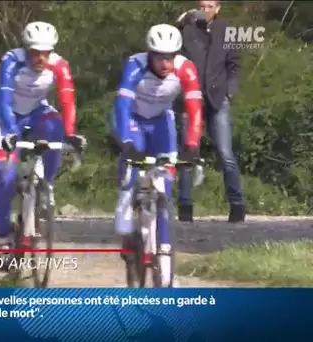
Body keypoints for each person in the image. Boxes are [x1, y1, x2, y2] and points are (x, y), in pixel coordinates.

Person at [111, 24, 203, 264]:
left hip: (162, 121)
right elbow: (121, 106)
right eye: (160, 57)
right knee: (132, 170)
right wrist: (127, 141)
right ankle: (125, 213)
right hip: (132, 118)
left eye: (170, 57)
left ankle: (164, 251)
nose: (166, 64)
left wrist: (192, 144)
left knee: (165, 184)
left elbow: (194, 110)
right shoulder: (135, 65)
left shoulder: (186, 69)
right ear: (150, 54)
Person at [0, 21, 86, 257]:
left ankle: (46, 185)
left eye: (45, 52)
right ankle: (4, 237)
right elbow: (3, 100)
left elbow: (67, 101)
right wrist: (11, 131)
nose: (40, 58)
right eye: (35, 52)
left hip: (37, 112)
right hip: (9, 115)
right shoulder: (11, 61)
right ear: (26, 49)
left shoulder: (59, 65)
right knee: (5, 178)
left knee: (55, 126)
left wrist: (71, 132)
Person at [175, 0, 246, 223]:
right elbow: (169, 51)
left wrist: (230, 92)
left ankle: (237, 204)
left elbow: (234, 65)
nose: (205, 10)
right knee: (187, 153)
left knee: (226, 154)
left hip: (218, 98)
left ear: (217, 9)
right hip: (190, 98)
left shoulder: (226, 31)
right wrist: (180, 23)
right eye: (202, 6)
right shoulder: (187, 29)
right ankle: (185, 206)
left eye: (209, 6)